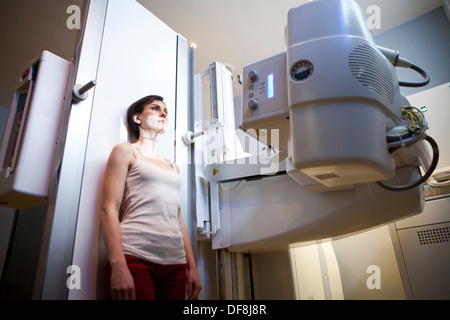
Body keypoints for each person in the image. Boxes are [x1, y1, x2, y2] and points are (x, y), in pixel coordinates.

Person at [101, 95, 202, 300]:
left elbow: (178, 220)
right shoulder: (126, 151)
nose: (163, 113)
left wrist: (192, 268)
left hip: (175, 265)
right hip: (135, 257)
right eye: (155, 108)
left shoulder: (174, 167)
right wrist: (118, 266)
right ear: (137, 118)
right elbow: (109, 209)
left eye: (165, 110)